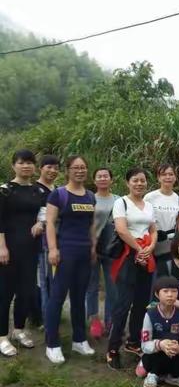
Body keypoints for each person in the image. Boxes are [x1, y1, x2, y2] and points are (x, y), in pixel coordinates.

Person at [45, 155, 96, 364]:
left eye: (83, 167)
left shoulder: (90, 196)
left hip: (84, 253)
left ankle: (79, 339)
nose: (80, 171)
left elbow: (92, 224)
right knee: (57, 297)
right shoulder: (58, 195)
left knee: (79, 297)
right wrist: (53, 249)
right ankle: (52, 344)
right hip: (65, 252)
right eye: (76, 167)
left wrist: (93, 246)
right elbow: (49, 223)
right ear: (68, 170)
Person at [106, 167, 157, 370]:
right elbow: (121, 229)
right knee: (123, 304)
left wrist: (150, 247)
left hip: (146, 256)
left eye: (142, 180)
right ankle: (112, 349)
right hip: (128, 256)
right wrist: (139, 249)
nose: (139, 184)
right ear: (128, 183)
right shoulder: (121, 202)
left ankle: (133, 342)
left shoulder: (149, 205)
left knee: (141, 303)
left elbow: (153, 229)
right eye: (135, 180)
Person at [0, 150, 45, 357]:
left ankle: (18, 329)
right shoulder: (5, 191)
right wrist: (2, 247)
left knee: (26, 292)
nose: (26, 166)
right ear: (14, 166)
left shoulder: (39, 190)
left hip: (31, 248)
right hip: (8, 249)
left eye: (29, 162)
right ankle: (2, 336)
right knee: (5, 292)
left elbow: (45, 212)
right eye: (21, 163)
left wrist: (40, 222)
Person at [141, 276, 179, 387]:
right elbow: (144, 344)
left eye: (174, 291)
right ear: (157, 294)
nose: (170, 295)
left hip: (175, 355)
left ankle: (173, 378)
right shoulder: (150, 314)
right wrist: (160, 345)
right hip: (157, 356)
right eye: (165, 291)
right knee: (148, 357)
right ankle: (153, 375)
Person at [85, 168, 119, 339]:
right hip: (91, 247)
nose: (103, 178)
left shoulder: (119, 200)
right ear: (94, 180)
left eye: (106, 176)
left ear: (111, 180)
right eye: (99, 176)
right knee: (91, 286)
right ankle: (94, 320)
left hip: (110, 249)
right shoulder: (88, 198)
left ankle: (110, 319)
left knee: (112, 286)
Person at [35, 154, 60, 325]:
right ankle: (45, 319)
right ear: (41, 168)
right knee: (44, 282)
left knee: (54, 281)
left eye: (56, 168)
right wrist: (40, 221)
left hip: (57, 240)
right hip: (41, 242)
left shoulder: (57, 189)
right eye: (48, 167)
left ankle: (51, 315)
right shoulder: (33, 189)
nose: (52, 170)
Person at [144, 163, 179, 263]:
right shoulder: (149, 197)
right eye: (164, 174)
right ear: (159, 178)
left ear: (175, 177)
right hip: (153, 240)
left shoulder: (178, 199)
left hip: (171, 241)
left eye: (171, 174)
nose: (167, 177)